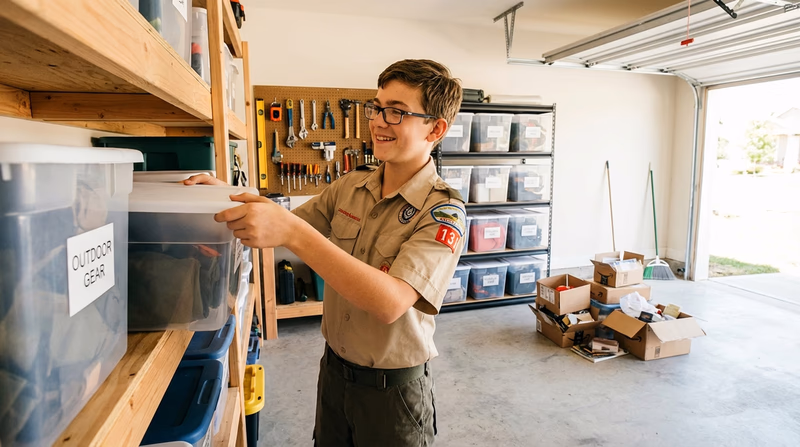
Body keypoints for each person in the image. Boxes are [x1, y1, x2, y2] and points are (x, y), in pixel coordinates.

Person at [185, 59, 464, 446]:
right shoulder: (351, 185)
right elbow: (281, 224)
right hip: (333, 375)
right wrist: (224, 195)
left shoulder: (442, 212)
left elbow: (390, 302)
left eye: (397, 112)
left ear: (435, 128)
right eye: (376, 107)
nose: (379, 121)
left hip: (393, 395)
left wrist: (293, 233)